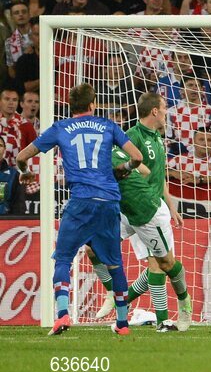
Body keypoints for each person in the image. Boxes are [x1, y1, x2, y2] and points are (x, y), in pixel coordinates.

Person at [16, 83, 144, 335]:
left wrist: (25, 173)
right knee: (115, 263)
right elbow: (137, 157)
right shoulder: (108, 126)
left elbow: (21, 156)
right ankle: (122, 323)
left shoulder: (60, 128)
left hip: (81, 201)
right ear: (92, 105)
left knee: (63, 258)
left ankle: (63, 315)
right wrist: (124, 169)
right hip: (108, 201)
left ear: (70, 106)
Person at [90, 93, 192, 332]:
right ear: (154, 111)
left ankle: (172, 312)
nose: (167, 111)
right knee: (92, 246)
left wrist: (171, 206)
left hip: (151, 210)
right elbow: (141, 170)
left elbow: (158, 175)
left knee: (161, 264)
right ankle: (113, 294)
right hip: (132, 208)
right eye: (165, 107)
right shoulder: (132, 136)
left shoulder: (158, 137)